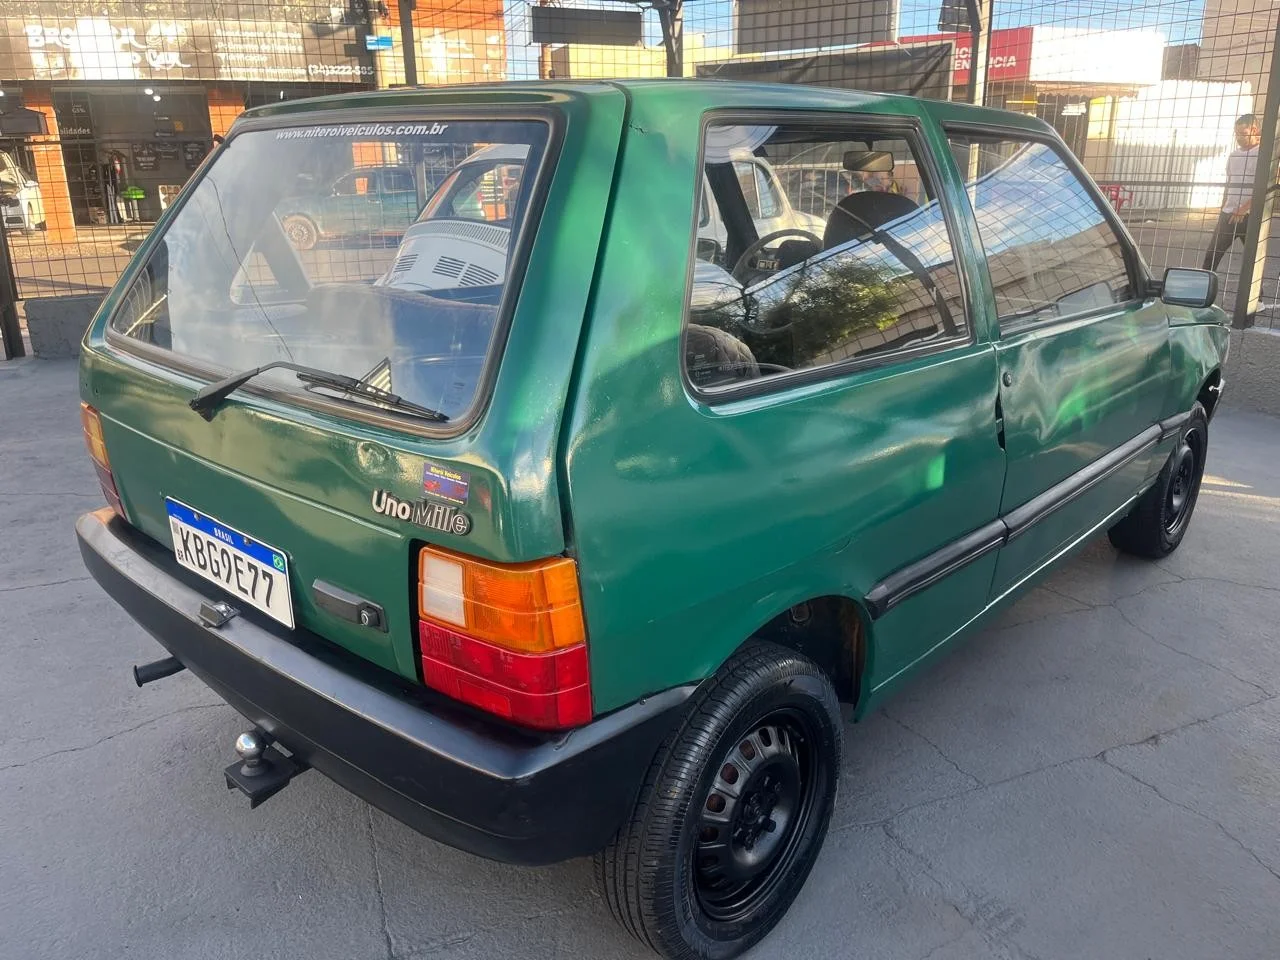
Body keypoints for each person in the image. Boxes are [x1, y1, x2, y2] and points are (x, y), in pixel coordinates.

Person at [1203, 114, 1261, 272]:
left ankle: (1256, 289)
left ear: (1254, 130)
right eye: (1236, 134)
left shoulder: (1262, 155)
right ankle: (1203, 286)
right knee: (1211, 256)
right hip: (1228, 215)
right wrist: (1224, 208)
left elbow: (1263, 188)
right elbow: (1229, 184)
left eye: (1243, 133)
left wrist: (1243, 209)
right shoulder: (1234, 155)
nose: (1239, 138)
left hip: (1250, 217)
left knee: (1254, 260)